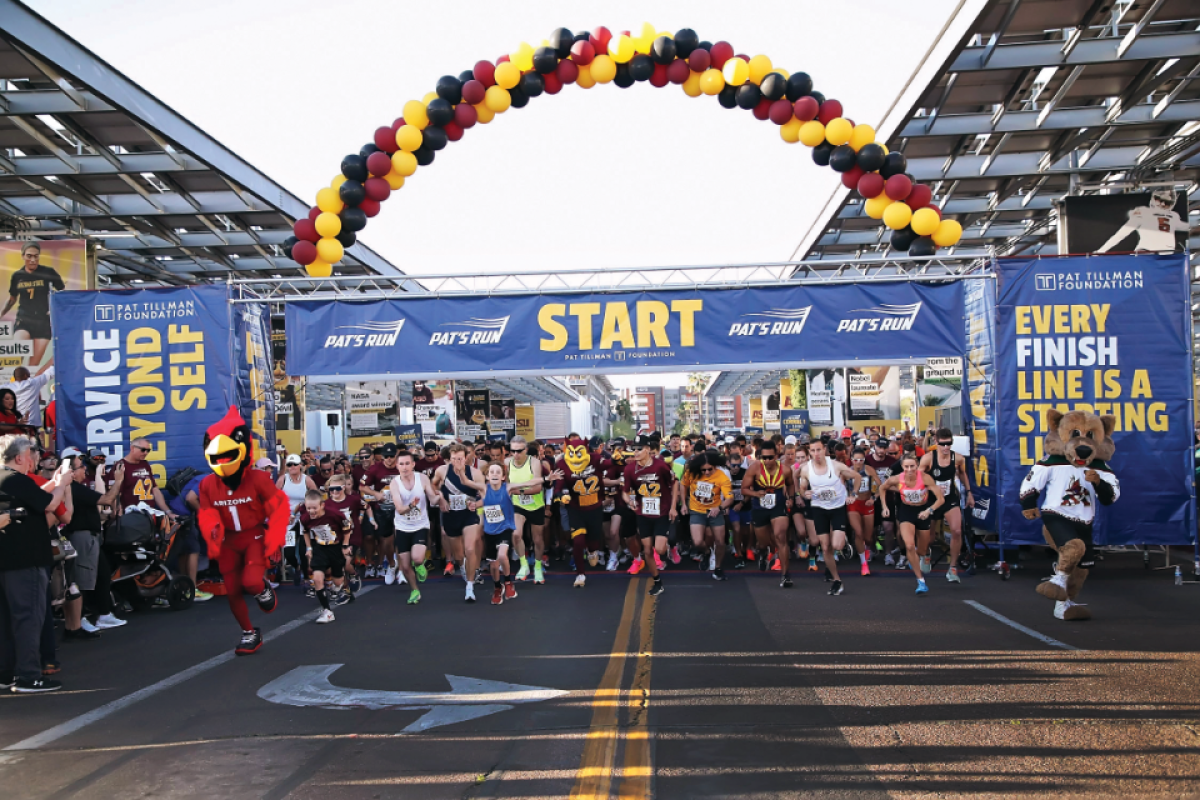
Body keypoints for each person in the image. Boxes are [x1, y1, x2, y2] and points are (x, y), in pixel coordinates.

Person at [195, 407, 289, 656]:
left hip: (253, 535)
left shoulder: (257, 479)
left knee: (250, 581)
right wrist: (212, 535)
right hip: (228, 540)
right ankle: (249, 631)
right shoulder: (206, 484)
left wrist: (275, 540)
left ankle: (262, 587)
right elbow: (206, 513)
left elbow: (278, 508)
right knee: (232, 588)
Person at [0, 434, 71, 692]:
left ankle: (7, 673)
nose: (33, 459)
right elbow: (49, 504)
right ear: (20, 457)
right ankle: (29, 675)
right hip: (25, 561)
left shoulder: (6, 480)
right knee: (28, 618)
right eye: (30, 454)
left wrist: (52, 483)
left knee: (7, 620)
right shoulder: (16, 479)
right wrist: (62, 484)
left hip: (7, 560)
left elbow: (32, 497)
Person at [63, 454, 127, 628]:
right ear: (71, 472)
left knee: (102, 575)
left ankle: (104, 613)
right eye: (80, 466)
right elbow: (105, 499)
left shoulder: (77, 488)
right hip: (82, 537)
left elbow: (96, 507)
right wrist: (118, 481)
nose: (85, 468)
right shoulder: (73, 488)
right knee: (82, 580)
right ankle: (79, 619)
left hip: (92, 536)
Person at [797, 439, 860, 596]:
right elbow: (802, 487)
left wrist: (854, 494)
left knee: (836, 546)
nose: (816, 454)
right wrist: (805, 493)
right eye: (812, 451)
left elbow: (857, 477)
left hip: (837, 507)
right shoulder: (806, 469)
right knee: (825, 547)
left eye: (819, 450)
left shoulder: (836, 466)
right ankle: (837, 580)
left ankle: (843, 542)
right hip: (819, 508)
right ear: (809, 452)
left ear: (824, 450)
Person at [877, 455, 946, 595]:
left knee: (921, 550)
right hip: (906, 511)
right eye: (906, 467)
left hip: (923, 511)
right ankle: (921, 581)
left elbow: (941, 499)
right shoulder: (897, 478)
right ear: (902, 467)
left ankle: (918, 557)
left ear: (917, 466)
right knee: (909, 545)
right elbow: (882, 488)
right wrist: (884, 507)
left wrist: (929, 510)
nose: (909, 470)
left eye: (912, 466)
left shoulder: (925, 478)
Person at [919, 428, 974, 583]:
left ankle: (953, 567)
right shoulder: (928, 458)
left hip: (950, 499)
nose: (946, 447)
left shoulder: (958, 458)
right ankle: (927, 553)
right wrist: (930, 487)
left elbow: (962, 474)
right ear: (936, 442)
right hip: (932, 500)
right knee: (929, 538)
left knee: (957, 530)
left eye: (949, 443)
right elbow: (918, 478)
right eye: (942, 444)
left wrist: (969, 492)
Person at [433, 444, 485, 602]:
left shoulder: (475, 473)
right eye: (454, 459)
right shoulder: (442, 471)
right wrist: (440, 498)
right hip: (451, 514)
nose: (457, 462)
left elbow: (486, 495)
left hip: (469, 515)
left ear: (466, 457)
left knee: (470, 549)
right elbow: (432, 485)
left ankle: (470, 586)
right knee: (459, 555)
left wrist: (476, 504)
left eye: (460, 459)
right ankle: (463, 568)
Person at [742, 439, 799, 587]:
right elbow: (744, 489)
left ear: (776, 456)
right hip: (759, 507)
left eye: (770, 457)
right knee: (763, 543)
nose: (767, 461)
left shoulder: (786, 469)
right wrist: (755, 494)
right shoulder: (754, 468)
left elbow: (791, 484)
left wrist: (791, 498)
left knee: (781, 537)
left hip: (778, 506)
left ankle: (785, 575)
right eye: (764, 457)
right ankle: (762, 553)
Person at [2, 243, 64, 369]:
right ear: (23, 256)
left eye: (36, 256)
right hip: (24, 319)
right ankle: (9, 386)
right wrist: (1, 314)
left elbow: (63, 293)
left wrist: (54, 309)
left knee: (31, 368)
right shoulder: (17, 276)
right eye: (29, 256)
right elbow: (12, 299)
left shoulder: (48, 272)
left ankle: (26, 387)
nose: (33, 260)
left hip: (43, 322)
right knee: (16, 356)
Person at [389, 450, 440, 605]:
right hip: (402, 527)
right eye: (401, 464)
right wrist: (411, 505)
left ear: (413, 464)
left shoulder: (422, 478)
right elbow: (399, 508)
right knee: (404, 566)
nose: (404, 467)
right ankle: (414, 590)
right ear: (397, 466)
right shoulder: (394, 483)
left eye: (407, 464)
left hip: (420, 525)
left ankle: (419, 565)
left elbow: (432, 498)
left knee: (417, 558)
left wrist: (441, 497)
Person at [622, 434, 669, 596]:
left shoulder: (660, 466)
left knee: (660, 549)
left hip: (662, 512)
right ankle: (657, 581)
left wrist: (674, 507)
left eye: (639, 449)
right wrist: (629, 501)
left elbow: (675, 483)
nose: (635, 452)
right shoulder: (629, 469)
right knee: (647, 550)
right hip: (643, 513)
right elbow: (625, 492)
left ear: (648, 450)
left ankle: (667, 545)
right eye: (633, 449)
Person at [678, 449, 733, 581]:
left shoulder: (721, 476)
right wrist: (683, 503)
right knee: (697, 542)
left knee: (720, 542)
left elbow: (730, 497)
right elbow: (682, 484)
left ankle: (718, 568)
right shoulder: (691, 473)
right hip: (697, 511)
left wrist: (720, 507)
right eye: (703, 470)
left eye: (710, 469)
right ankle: (707, 553)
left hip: (715, 511)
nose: (707, 472)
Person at [299, 490, 353, 623]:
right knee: (317, 578)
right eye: (308, 508)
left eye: (314, 508)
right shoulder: (305, 518)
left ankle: (342, 586)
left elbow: (347, 529)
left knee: (337, 582)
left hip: (335, 547)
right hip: (319, 547)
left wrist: (345, 546)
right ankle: (327, 611)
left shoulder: (335, 514)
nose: (311, 511)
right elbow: (305, 531)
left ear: (322, 505)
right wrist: (309, 548)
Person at [507, 435, 551, 584]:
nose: (516, 454)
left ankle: (538, 566)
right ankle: (523, 564)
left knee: (537, 539)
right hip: (517, 505)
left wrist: (517, 491)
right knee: (516, 534)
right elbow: (505, 485)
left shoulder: (534, 462)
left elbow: (538, 488)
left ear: (525, 449)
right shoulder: (507, 462)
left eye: (519, 451)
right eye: (512, 451)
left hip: (535, 504)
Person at [101, 437, 176, 522]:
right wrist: (119, 515)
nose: (145, 453)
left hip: (149, 515)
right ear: (132, 448)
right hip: (131, 517)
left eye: (148, 450)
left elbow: (154, 489)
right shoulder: (120, 466)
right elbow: (115, 494)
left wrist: (168, 512)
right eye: (143, 450)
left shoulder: (145, 464)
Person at [359, 443, 401, 584]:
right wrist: (375, 493)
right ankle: (391, 564)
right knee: (386, 540)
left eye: (392, 456)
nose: (389, 459)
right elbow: (361, 486)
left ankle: (401, 568)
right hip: (382, 509)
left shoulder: (402, 466)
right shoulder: (374, 469)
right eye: (386, 457)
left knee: (400, 536)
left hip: (399, 508)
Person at [480, 462, 519, 605]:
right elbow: (467, 483)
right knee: (494, 565)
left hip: (505, 528)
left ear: (503, 477)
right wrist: (459, 471)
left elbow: (529, 483)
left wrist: (545, 479)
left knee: (502, 555)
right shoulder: (484, 489)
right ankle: (497, 587)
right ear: (487, 476)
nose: (495, 474)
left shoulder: (507, 488)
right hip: (490, 531)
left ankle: (508, 582)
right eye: (492, 472)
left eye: (498, 472)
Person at [277, 454, 317, 584]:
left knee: (303, 550)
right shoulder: (283, 480)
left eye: (295, 464)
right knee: (288, 552)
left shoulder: (307, 480)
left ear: (300, 465)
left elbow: (316, 497)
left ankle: (306, 578)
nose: (292, 467)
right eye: (289, 464)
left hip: (304, 517)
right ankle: (297, 567)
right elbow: (274, 499)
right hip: (287, 519)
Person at [847, 449, 880, 577]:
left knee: (868, 537)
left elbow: (880, 486)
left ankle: (865, 550)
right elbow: (841, 486)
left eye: (861, 460)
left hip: (867, 504)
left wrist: (874, 498)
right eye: (856, 460)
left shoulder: (869, 470)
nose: (858, 463)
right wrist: (846, 497)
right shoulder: (847, 471)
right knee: (859, 533)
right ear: (851, 459)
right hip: (854, 505)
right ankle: (863, 563)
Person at [10, 366, 54, 432]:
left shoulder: (7, 387)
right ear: (25, 375)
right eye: (29, 375)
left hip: (15, 427)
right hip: (31, 428)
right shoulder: (33, 383)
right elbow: (50, 373)